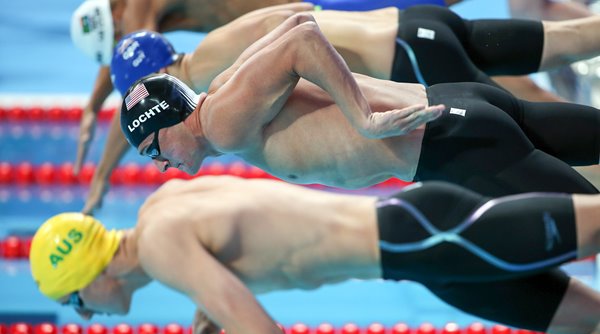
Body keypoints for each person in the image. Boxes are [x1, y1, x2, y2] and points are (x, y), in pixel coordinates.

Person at [29, 175, 600, 334]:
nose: (81, 318)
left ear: (93, 274)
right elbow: (262, 237)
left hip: (427, 238)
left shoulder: (158, 245)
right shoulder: (161, 210)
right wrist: (209, 313)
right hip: (424, 254)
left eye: (73, 301)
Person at [81, 3, 600, 213]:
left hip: (448, 140)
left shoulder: (222, 120)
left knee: (592, 226)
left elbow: (302, 38)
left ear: (171, 120)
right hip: (455, 103)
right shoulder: (221, 87)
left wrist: (362, 118)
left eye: (155, 150)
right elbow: (293, 25)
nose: (163, 166)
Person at [71, 0, 460, 186]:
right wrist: (93, 105)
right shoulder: (210, 72)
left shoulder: (209, 77)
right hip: (371, 30)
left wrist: (360, 114)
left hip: (386, 42)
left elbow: (302, 33)